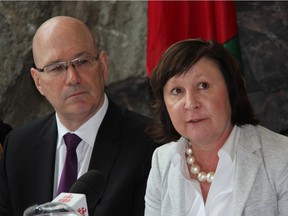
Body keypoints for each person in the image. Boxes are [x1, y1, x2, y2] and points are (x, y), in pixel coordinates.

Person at [0, 16, 157, 216]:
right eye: (56, 67)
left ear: (103, 66)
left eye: (82, 61)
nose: (73, 78)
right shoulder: (17, 147)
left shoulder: (150, 143)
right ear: (38, 81)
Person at [144, 38, 288, 216]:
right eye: (177, 91)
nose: (191, 103)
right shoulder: (162, 161)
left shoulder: (282, 158)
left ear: (231, 90)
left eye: (203, 86)